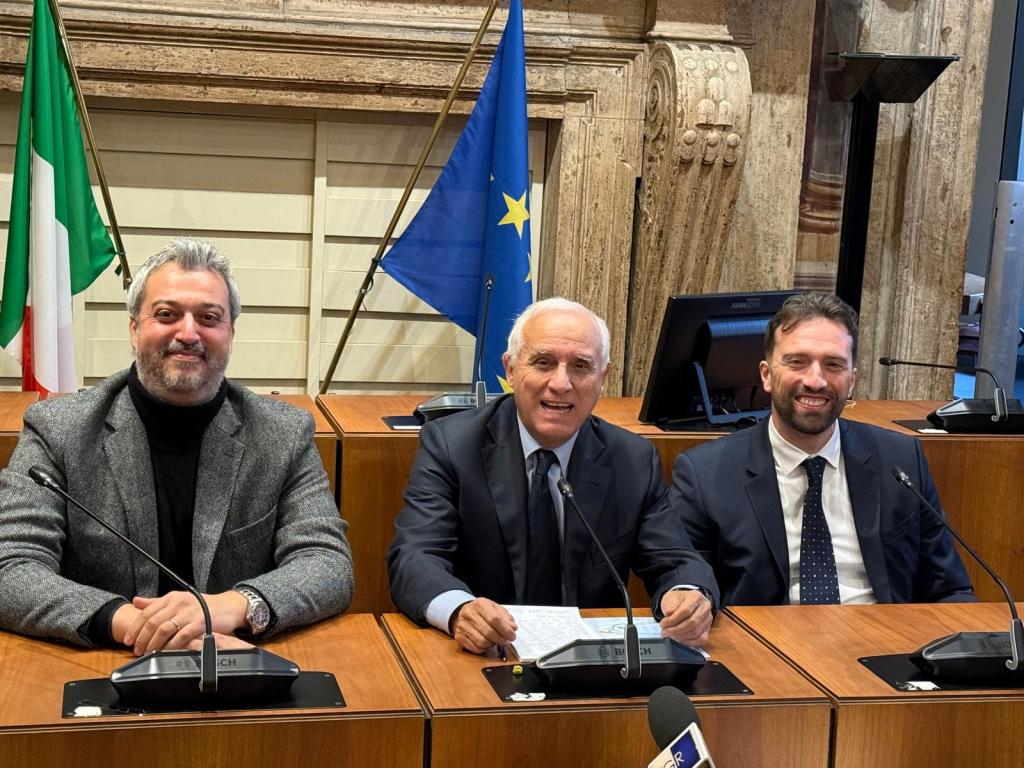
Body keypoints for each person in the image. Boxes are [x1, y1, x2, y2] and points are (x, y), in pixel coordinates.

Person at [0, 238, 353, 653]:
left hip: (238, 662)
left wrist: (233, 606)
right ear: (134, 328)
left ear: (230, 333)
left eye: (209, 317)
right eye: (167, 315)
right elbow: (10, 566)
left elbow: (328, 564)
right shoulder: (60, 430)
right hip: (105, 662)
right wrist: (134, 622)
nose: (188, 333)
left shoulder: (282, 433)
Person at [387, 297, 719, 654]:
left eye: (580, 366)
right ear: (511, 370)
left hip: (592, 664)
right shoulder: (453, 445)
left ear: (602, 378)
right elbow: (414, 556)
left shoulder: (632, 460)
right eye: (543, 363)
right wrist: (459, 610)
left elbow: (677, 559)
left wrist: (687, 595)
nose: (561, 384)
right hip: (484, 656)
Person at [670, 292, 974, 606]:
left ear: (852, 380)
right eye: (797, 362)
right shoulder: (706, 474)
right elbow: (686, 583)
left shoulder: (900, 460)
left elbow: (950, 590)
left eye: (833, 365)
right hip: (767, 646)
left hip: (884, 642)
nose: (816, 381)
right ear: (766, 375)